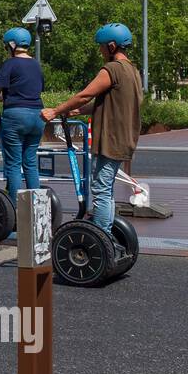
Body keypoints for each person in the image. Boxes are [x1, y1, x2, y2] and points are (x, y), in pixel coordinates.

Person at [41, 23, 143, 238]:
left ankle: (102, 236)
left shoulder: (112, 69)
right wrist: (75, 111)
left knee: (101, 190)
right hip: (124, 139)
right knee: (106, 189)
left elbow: (85, 95)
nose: (100, 51)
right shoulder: (132, 71)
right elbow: (102, 101)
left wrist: (56, 110)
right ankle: (106, 235)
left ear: (112, 46)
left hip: (110, 140)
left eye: (102, 47)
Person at [0, 27, 45, 207]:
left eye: (7, 45)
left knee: (14, 164)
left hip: (16, 117)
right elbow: (26, 90)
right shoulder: (36, 65)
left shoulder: (9, 64)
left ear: (12, 45)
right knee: (30, 162)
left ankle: (14, 210)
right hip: (38, 116)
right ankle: (36, 208)